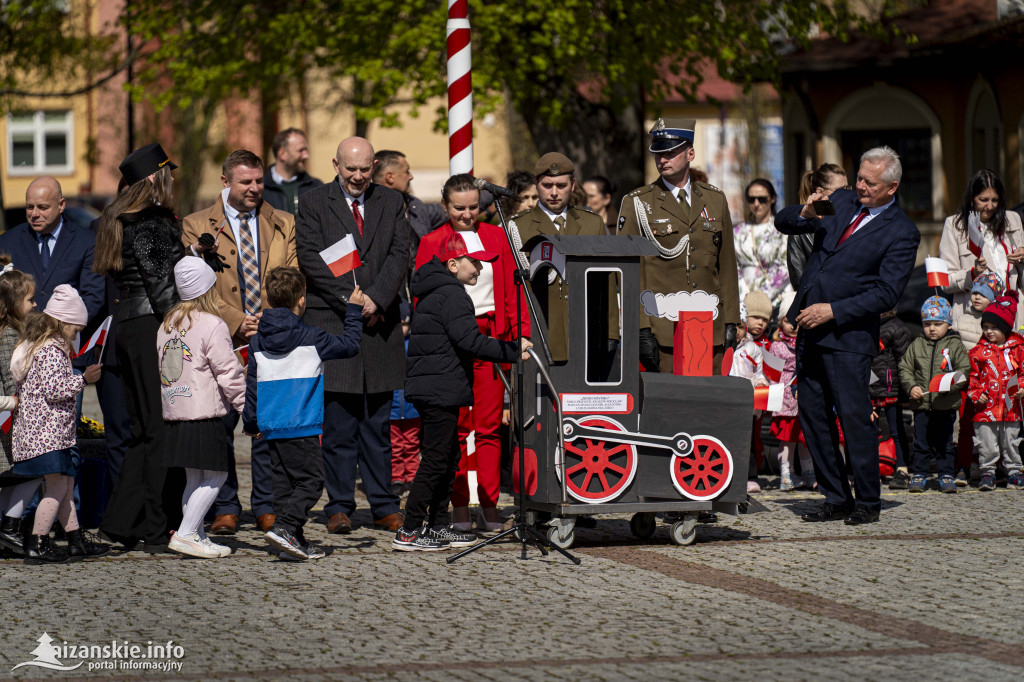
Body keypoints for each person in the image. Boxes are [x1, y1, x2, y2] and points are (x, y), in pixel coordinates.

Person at [776, 146, 920, 525]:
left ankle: (868, 502)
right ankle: (835, 496)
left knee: (855, 419)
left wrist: (834, 310)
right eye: (858, 178)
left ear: (892, 187)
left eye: (870, 183)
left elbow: (886, 293)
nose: (860, 187)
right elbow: (785, 221)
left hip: (848, 335)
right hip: (809, 327)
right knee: (813, 416)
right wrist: (805, 211)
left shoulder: (902, 232)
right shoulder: (841, 200)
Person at [295, 136, 408, 535]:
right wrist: (350, 299)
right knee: (339, 425)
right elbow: (310, 257)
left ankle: (383, 505)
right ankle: (339, 505)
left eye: (365, 169)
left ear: (374, 165)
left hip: (379, 327)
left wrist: (375, 299)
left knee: (377, 425)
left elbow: (399, 253)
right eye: (350, 169)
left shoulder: (391, 202)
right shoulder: (312, 203)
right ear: (336, 165)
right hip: (333, 323)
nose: (358, 176)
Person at [182, 149, 297, 535]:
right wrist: (235, 319)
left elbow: (293, 277)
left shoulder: (282, 222)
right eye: (245, 181)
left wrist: (273, 316)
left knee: (266, 426)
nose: (254, 188)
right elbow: (195, 284)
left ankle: (266, 506)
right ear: (225, 181)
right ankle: (226, 507)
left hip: (270, 336)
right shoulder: (197, 224)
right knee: (221, 425)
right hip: (222, 338)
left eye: (259, 180)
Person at [394, 233, 531, 551]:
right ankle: (410, 529)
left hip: (439, 384)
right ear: (453, 263)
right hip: (438, 386)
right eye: (476, 261)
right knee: (436, 459)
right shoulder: (452, 295)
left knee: (447, 457)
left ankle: (439, 525)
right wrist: (512, 349)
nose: (482, 268)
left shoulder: (437, 291)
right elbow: (470, 341)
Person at [414, 174, 531, 533]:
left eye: (473, 207)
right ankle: (460, 503)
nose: (467, 214)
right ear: (445, 206)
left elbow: (515, 290)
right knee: (456, 430)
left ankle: (491, 505)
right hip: (452, 344)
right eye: (458, 208)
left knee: (490, 426)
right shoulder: (432, 241)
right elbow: (422, 298)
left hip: (491, 338)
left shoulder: (497, 236)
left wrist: (521, 334)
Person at [94, 142, 186, 553]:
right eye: (167, 173)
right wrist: (182, 326)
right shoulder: (151, 220)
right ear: (154, 178)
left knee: (139, 433)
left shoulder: (119, 218)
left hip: (127, 327)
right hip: (152, 325)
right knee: (158, 429)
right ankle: (153, 524)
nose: (172, 180)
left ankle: (118, 525)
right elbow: (161, 283)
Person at [243, 268, 365, 561]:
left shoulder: (257, 340)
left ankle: (293, 543)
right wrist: (353, 310)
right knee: (311, 483)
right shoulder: (311, 337)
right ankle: (285, 528)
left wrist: (250, 422)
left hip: (271, 426)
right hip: (302, 424)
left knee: (285, 487)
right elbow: (350, 345)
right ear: (301, 300)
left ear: (269, 300)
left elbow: (252, 384)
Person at [618, 118, 740, 374]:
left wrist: (731, 320)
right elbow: (630, 272)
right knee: (669, 407)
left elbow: (726, 264)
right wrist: (640, 328)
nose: (663, 159)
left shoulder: (714, 199)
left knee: (708, 405)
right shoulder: (638, 202)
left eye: (670, 152)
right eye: (658, 153)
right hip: (662, 328)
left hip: (710, 327)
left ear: (690, 153)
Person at [938, 170, 1023, 485]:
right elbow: (946, 279)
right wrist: (970, 273)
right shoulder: (955, 225)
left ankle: (1009, 464)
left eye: (994, 200)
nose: (988, 206)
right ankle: (967, 463)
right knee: (974, 396)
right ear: (971, 199)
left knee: (1012, 394)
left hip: (1012, 319)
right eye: (982, 200)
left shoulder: (1012, 221)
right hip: (974, 323)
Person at [9, 285, 105, 564]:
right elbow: (54, 389)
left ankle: (75, 540)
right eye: (75, 330)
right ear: (63, 322)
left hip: (50, 434)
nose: (76, 336)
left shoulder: (44, 346)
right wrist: (83, 379)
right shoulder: (50, 350)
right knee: (57, 489)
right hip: (47, 435)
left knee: (64, 485)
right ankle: (37, 543)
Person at [158, 258, 246, 559]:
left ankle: (196, 535)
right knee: (217, 476)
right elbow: (228, 372)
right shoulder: (212, 323)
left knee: (195, 479)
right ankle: (185, 534)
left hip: (176, 410)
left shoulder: (167, 323)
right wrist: (245, 405)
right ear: (208, 288)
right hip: (204, 411)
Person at [508, 152, 610, 363]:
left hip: (585, 331)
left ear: (573, 185)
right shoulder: (517, 226)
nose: (554, 192)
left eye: (561, 185)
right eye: (547, 185)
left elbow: (606, 282)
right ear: (536, 184)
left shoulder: (592, 223)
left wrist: (610, 332)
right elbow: (509, 287)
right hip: (540, 332)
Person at [898, 296, 970, 494]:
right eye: (927, 324)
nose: (932, 328)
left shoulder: (955, 345)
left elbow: (964, 369)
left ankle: (946, 474)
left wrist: (952, 384)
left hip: (945, 404)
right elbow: (905, 368)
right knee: (921, 443)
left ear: (947, 324)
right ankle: (919, 474)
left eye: (937, 324)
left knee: (945, 443)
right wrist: (911, 387)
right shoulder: (917, 344)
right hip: (922, 405)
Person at [0, 258, 40, 556]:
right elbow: (10, 379)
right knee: (34, 470)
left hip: (9, 418)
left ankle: (6, 526)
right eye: (29, 299)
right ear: (13, 303)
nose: (35, 304)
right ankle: (9, 527)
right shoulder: (9, 335)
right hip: (8, 420)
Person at [967, 294, 1024, 491]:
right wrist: (976, 392)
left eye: (994, 327)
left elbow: (1023, 372)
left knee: (1011, 440)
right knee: (986, 443)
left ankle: (1015, 472)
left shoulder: (1018, 349)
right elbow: (972, 377)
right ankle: (987, 472)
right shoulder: (977, 352)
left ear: (1006, 328)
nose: (989, 331)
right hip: (985, 409)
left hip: (1011, 407)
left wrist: (1022, 387)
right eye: (986, 327)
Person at [768, 290, 814, 491]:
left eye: (796, 321)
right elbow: (770, 374)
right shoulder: (777, 347)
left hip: (803, 399)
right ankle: (786, 474)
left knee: (804, 438)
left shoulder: (806, 345)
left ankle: (808, 471)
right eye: (788, 321)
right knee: (787, 440)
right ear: (780, 323)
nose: (793, 326)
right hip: (785, 400)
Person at [787, 163, 848, 288]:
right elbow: (799, 281)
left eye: (848, 189)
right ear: (820, 191)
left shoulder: (853, 220)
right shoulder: (800, 231)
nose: (846, 195)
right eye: (841, 190)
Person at [734, 178, 791, 308]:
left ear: (773, 199)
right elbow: (734, 267)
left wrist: (761, 298)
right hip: (745, 303)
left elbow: (785, 267)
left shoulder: (782, 230)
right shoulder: (738, 232)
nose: (756, 203)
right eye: (751, 199)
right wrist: (746, 299)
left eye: (762, 199)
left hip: (776, 301)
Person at [872, 308, 913, 489]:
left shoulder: (897, 327)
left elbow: (904, 360)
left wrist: (905, 392)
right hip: (870, 385)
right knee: (870, 431)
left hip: (891, 387)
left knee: (896, 430)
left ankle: (902, 469)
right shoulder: (867, 325)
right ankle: (871, 470)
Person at [390, 303, 420, 496]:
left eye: (404, 324)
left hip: (411, 407)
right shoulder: (388, 346)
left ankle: (413, 476)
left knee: (411, 443)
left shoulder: (413, 346)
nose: (402, 329)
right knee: (394, 445)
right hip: (392, 409)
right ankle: (397, 477)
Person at [262, 128, 323, 215]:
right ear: (283, 154)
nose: (306, 156)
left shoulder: (316, 187)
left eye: (306, 150)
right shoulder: (260, 189)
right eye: (301, 150)